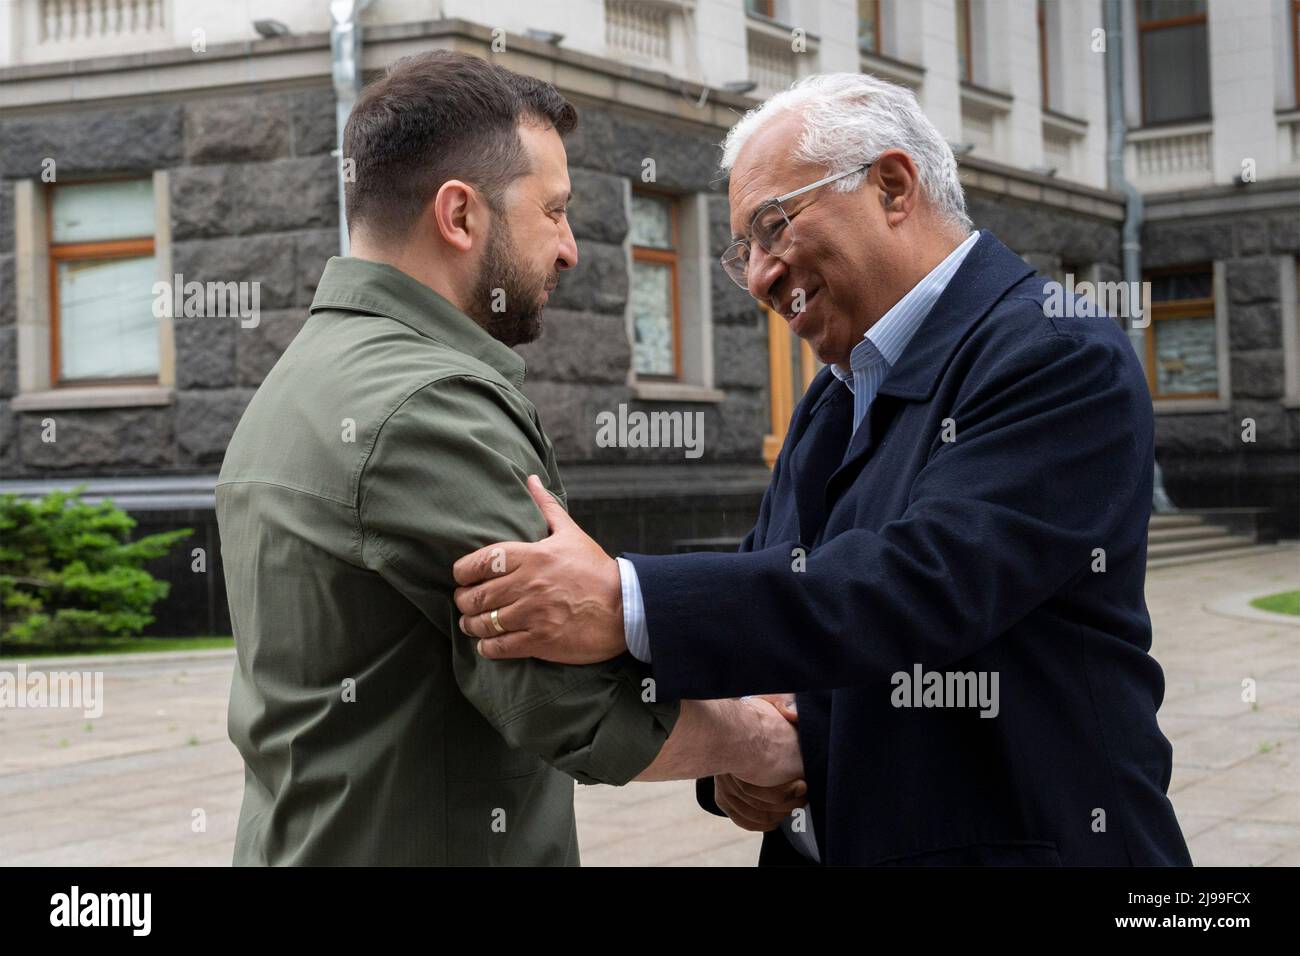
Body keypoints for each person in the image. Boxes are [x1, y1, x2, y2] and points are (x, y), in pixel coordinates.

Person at [452, 73, 1192, 867]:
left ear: (893, 187)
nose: (763, 277)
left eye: (774, 228)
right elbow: (788, 594)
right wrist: (741, 757)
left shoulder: (1055, 350)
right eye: (745, 252)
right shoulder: (840, 387)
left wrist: (623, 598)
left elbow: (916, 587)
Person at [216, 50, 800, 866]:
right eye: (554, 211)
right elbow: (568, 704)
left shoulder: (302, 377)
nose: (569, 250)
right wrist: (767, 745)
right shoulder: (429, 407)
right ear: (460, 215)